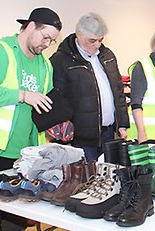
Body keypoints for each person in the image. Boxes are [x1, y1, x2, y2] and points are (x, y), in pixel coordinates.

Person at [0, 7, 62, 230]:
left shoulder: (45, 65)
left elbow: (41, 106)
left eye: (52, 41)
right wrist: (22, 95)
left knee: (16, 216)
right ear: (30, 26)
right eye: (45, 37)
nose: (47, 44)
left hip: (22, 154)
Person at [49, 12, 129, 162]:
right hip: (81, 139)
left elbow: (118, 91)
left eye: (100, 40)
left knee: (111, 178)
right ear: (79, 35)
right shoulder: (61, 60)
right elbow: (57, 100)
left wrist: (122, 124)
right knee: (88, 181)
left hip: (109, 134)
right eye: (92, 40)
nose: (97, 45)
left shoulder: (107, 55)